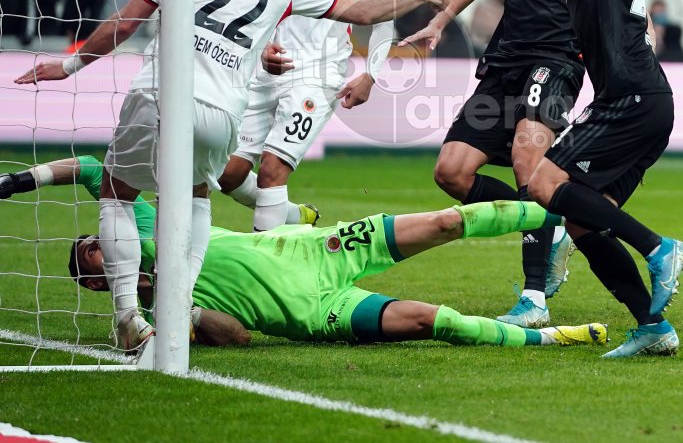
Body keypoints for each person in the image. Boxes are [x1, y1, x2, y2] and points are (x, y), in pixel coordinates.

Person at [14, 0, 448, 352]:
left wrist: (70, 65)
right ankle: (178, 303)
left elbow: (127, 22)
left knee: (117, 194)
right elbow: (363, 13)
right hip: (222, 110)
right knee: (198, 195)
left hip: (161, 91)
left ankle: (127, 315)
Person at [446, 0, 683, 358]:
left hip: (632, 96)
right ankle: (653, 327)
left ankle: (658, 248)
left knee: (541, 181)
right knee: (580, 217)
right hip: (637, 101)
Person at [30, 156, 607, 350]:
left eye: (95, 239)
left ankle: (573, 214)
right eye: (93, 256)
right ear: (97, 284)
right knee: (435, 320)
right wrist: (183, 308)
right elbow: (238, 337)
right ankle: (550, 338)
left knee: (446, 221)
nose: (102, 245)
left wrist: (23, 180)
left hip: (315, 250)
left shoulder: (144, 226)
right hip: (315, 312)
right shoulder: (153, 317)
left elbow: (92, 169)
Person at [401, 0, 585, 330]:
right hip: (504, 64)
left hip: (557, 63)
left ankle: (534, 297)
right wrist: (440, 21)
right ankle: (546, 222)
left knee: (528, 159)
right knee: (451, 172)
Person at [214, 0, 395, 233]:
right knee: (226, 174)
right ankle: (296, 217)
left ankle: (265, 261)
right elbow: (262, 0)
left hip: (319, 74)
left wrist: (370, 76)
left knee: (272, 170)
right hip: (269, 68)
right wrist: (263, 47)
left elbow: (384, 20)